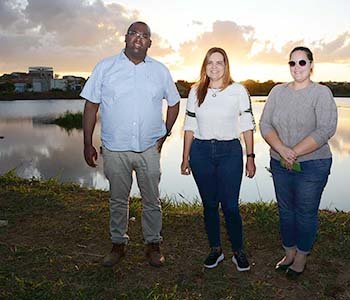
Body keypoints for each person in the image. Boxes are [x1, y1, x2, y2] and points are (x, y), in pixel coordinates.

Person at [81, 21, 180, 268]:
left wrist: (165, 133)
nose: (139, 38)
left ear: (150, 43)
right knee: (117, 198)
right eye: (134, 33)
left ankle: (153, 244)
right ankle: (118, 244)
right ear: (125, 38)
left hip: (149, 148)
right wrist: (87, 143)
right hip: (115, 149)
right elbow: (91, 105)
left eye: (144, 35)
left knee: (152, 199)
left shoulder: (160, 71)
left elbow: (175, 102)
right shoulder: (105, 67)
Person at [259, 46, 337, 278]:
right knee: (285, 210)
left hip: (313, 164)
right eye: (292, 63)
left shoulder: (321, 93)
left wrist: (293, 152)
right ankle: (289, 252)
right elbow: (265, 125)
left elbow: (326, 129)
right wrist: (282, 150)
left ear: (312, 65)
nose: (297, 68)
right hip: (279, 162)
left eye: (302, 62)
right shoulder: (276, 92)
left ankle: (301, 256)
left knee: (305, 212)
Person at [181, 47, 256, 272]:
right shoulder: (195, 92)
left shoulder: (238, 91)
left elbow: (247, 126)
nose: (214, 67)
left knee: (231, 206)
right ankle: (216, 249)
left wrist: (250, 157)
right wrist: (185, 158)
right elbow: (189, 127)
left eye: (219, 62)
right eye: (210, 62)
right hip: (201, 152)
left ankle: (238, 251)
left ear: (226, 65)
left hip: (230, 152)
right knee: (210, 205)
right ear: (204, 66)